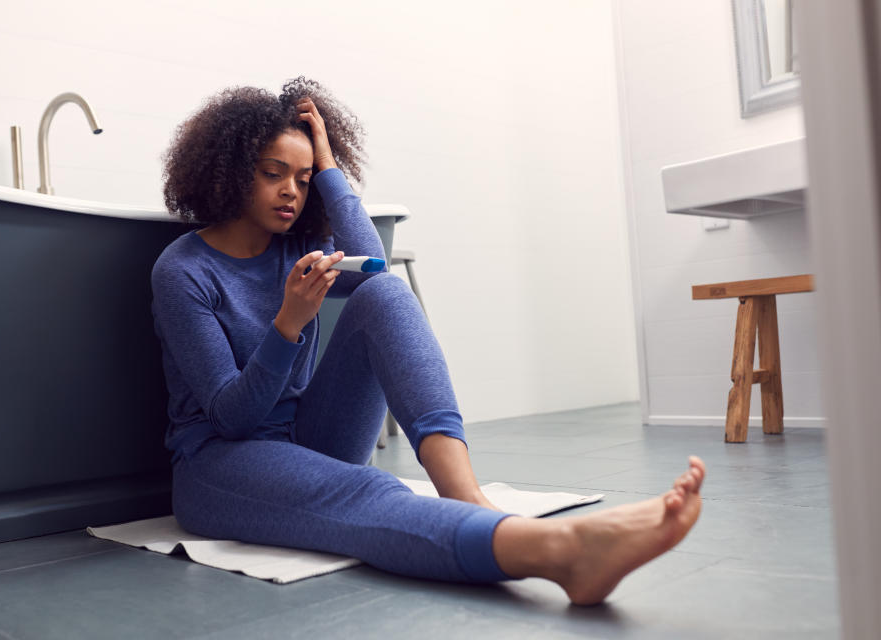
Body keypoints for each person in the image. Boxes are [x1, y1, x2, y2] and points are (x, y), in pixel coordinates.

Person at [151, 77, 705, 605]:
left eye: (302, 177)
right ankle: (562, 553)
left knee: (385, 295)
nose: (291, 191)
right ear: (230, 171)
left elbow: (373, 270)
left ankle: (465, 497)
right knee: (369, 494)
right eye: (275, 173)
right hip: (222, 463)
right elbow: (232, 419)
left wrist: (330, 167)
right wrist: (288, 325)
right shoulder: (184, 270)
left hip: (308, 437)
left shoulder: (294, 246)